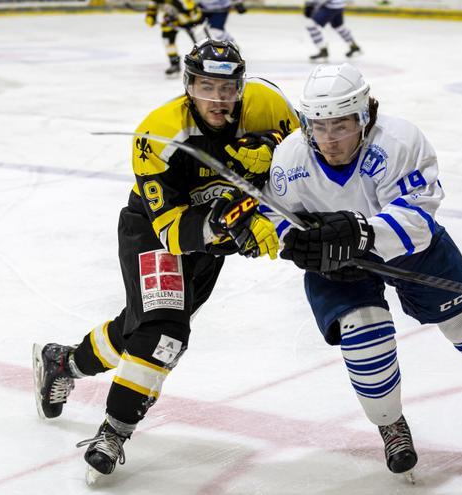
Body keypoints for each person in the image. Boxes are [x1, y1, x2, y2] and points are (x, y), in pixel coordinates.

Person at [262, 63, 462, 478]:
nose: (329, 139)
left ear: (363, 116)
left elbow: (417, 217)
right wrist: (297, 243)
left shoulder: (399, 141)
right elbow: (275, 213)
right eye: (319, 127)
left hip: (410, 251)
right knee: (364, 335)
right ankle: (391, 426)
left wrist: (362, 232)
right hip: (340, 263)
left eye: (340, 126)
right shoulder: (291, 157)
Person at [33, 39, 299, 484]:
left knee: (140, 327)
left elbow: (301, 163)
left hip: (215, 238)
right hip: (156, 232)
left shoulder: (269, 105)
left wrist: (273, 147)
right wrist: (234, 221)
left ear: (241, 86)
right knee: (163, 334)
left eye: (227, 88)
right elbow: (172, 232)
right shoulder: (157, 134)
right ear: (188, 85)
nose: (217, 98)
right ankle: (113, 432)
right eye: (205, 86)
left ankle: (64, 362)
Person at [145, 0, 205, 76]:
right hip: (175, 18)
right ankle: (174, 63)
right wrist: (151, 17)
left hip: (193, 20)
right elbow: (151, 9)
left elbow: (192, 11)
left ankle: (206, 60)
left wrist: (192, 23)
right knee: (167, 38)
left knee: (201, 42)